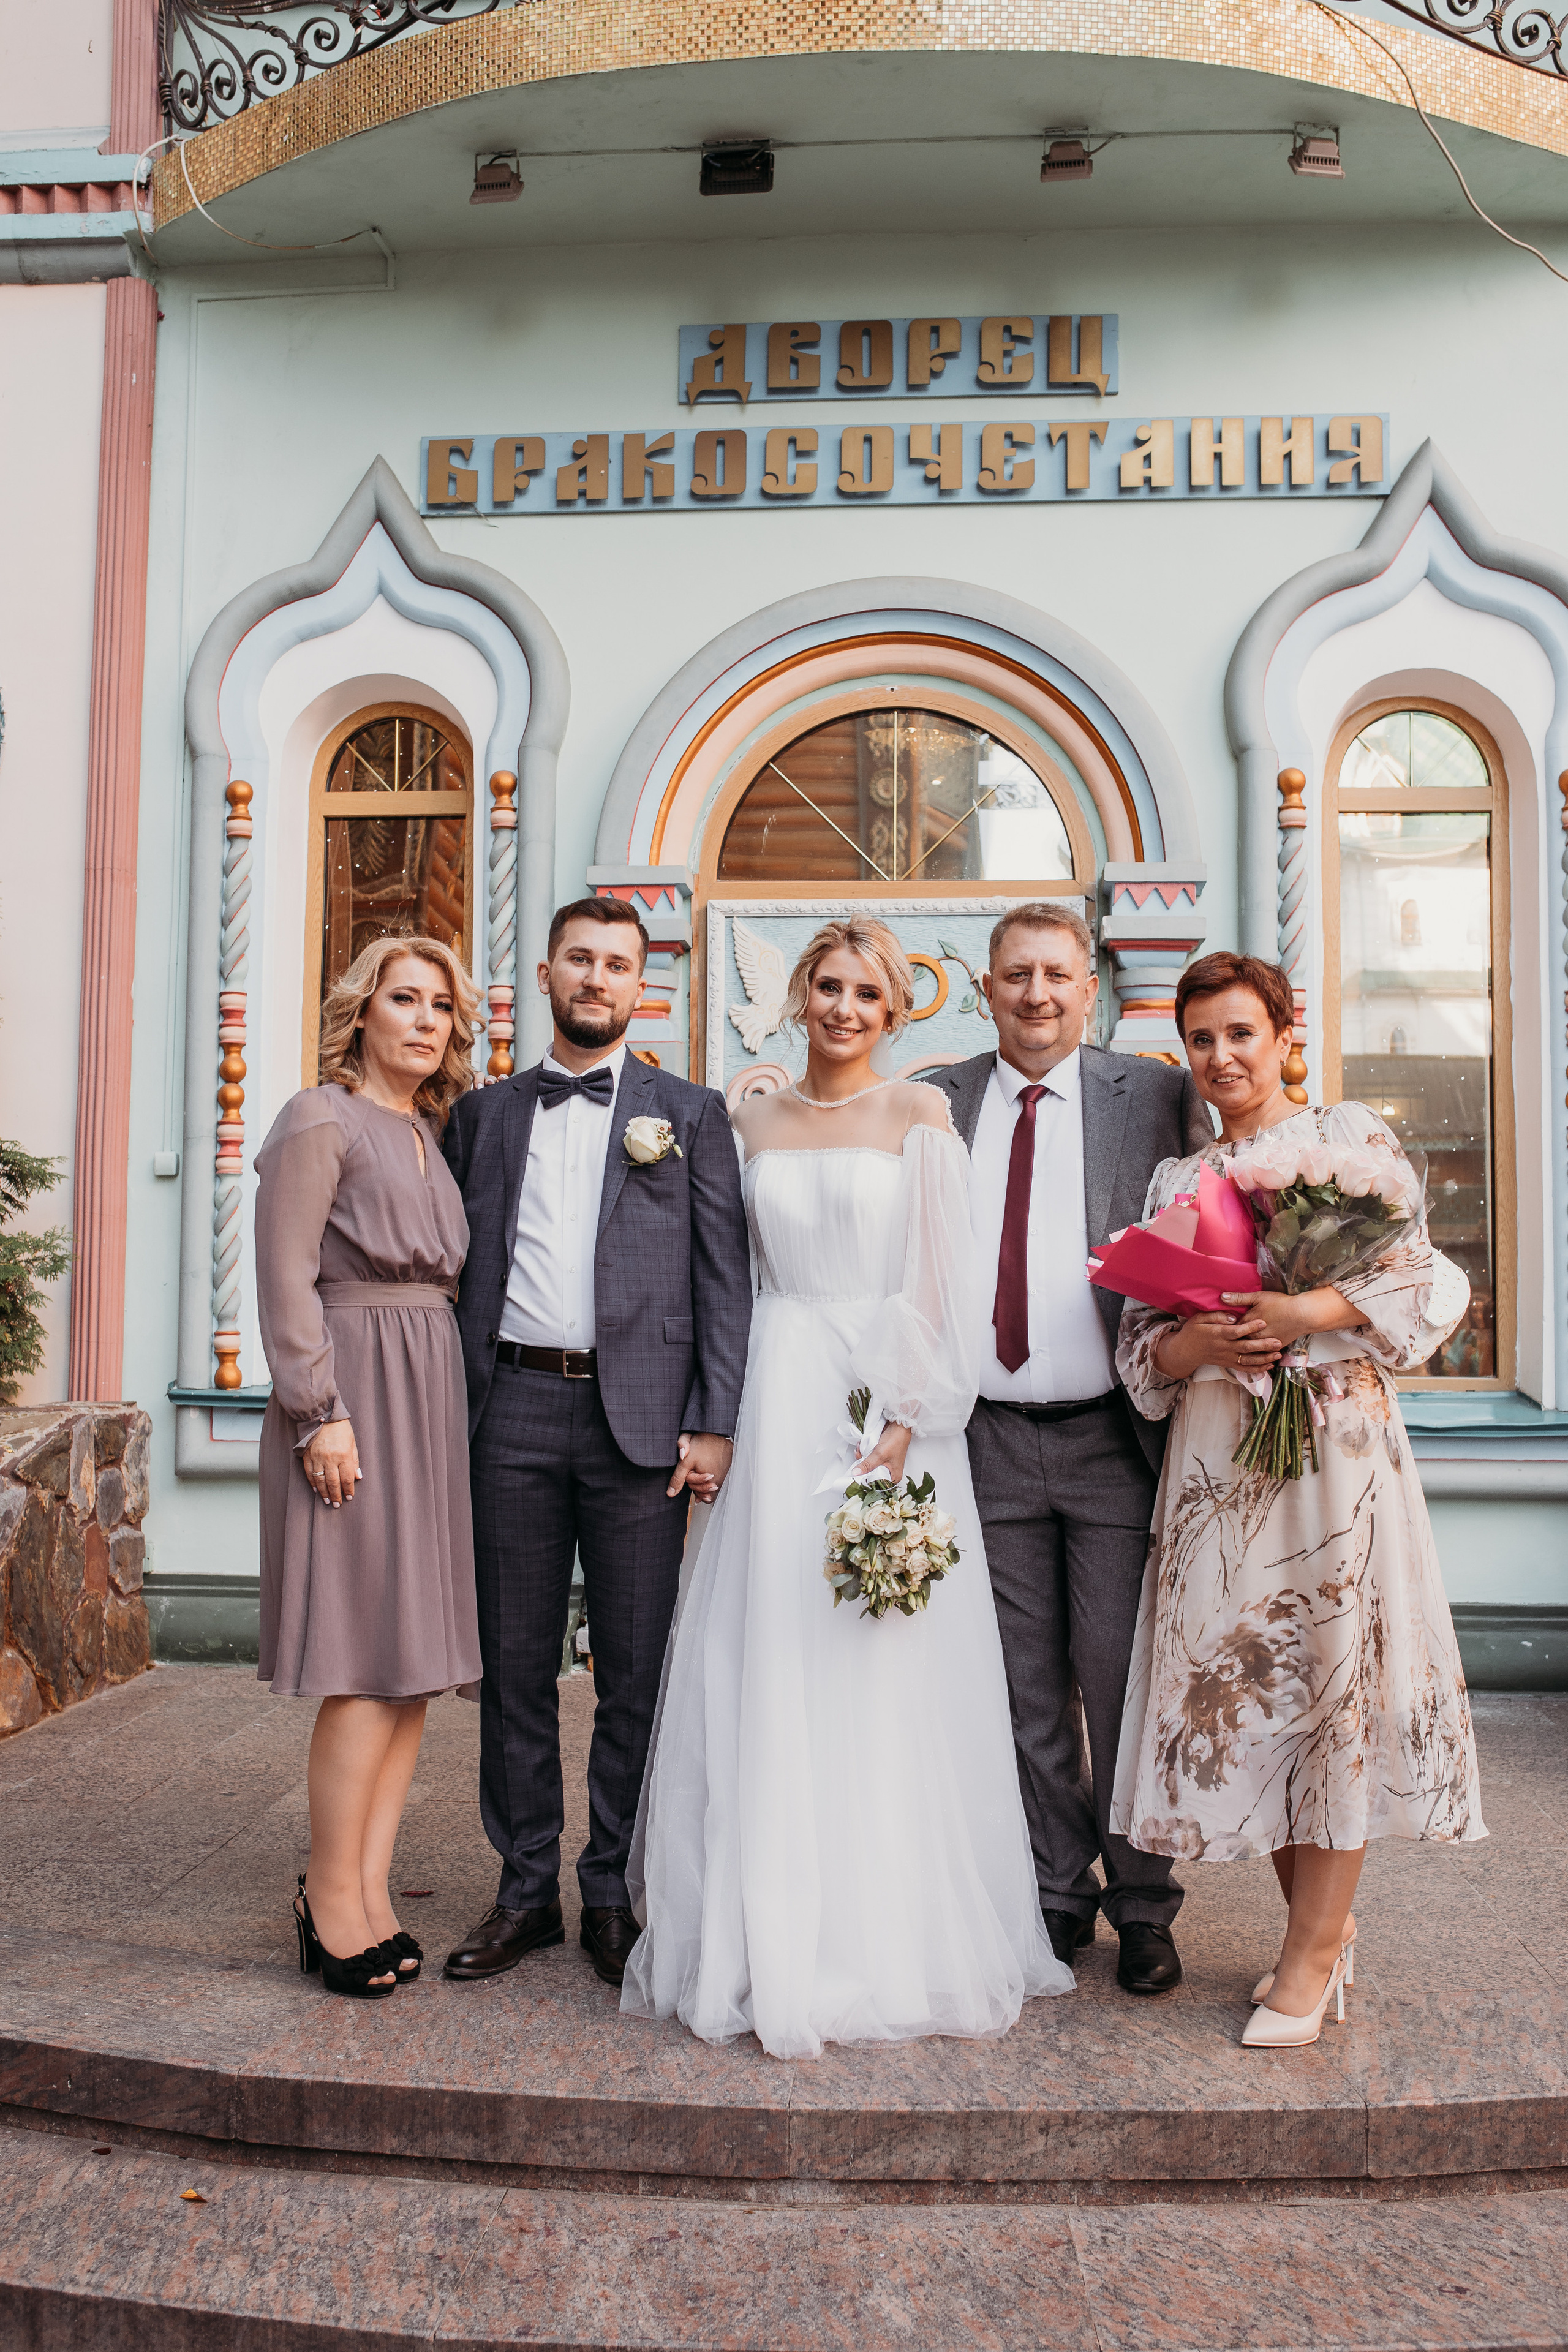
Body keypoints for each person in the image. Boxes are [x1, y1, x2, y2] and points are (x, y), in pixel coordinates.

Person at [622, 918, 1074, 2060]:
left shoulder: (922, 1115)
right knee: (769, 1648)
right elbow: (721, 1272)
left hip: (883, 1405)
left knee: (881, 1661)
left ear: (898, 1008)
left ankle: (887, 1937)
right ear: (799, 996)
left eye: (868, 991)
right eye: (827, 986)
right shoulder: (744, 1117)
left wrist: (902, 1418)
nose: (845, 1007)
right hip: (772, 1399)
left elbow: (942, 1282)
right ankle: (761, 1929)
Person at [1109, 951, 1486, 2050]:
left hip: (1333, 1449)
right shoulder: (1175, 1186)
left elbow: (1417, 1282)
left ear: (1284, 1035)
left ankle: (1313, 1954)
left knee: (1333, 1684)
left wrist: (1292, 1305)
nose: (1222, 1058)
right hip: (1221, 1464)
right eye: (1201, 1042)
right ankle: (1322, 1928)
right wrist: (1203, 1339)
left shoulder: (1351, 1139)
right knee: (1257, 1692)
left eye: (1240, 1034)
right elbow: (1144, 1358)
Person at [440, 897, 753, 1988]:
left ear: (642, 987)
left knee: (635, 1674)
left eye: (618, 964)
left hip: (644, 1426)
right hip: (512, 1412)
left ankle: (611, 1885)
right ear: (545, 974)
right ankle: (523, 1888)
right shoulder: (482, 1116)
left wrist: (715, 1421)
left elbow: (725, 1278)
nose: (598, 978)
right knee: (516, 1670)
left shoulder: (692, 1114)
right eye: (581, 958)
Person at [919, 902, 1213, 1996]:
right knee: (1022, 1686)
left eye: (1056, 974)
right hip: (983, 1439)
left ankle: (1145, 1901)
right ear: (982, 987)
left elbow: (1242, 1196)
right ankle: (1057, 1887)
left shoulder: (1154, 1094)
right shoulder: (934, 1102)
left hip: (1110, 1439)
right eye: (1015, 975)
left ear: (1091, 987)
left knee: (1120, 1676)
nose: (1036, 994)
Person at [254, 936, 483, 1999]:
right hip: (351, 1393)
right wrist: (318, 1414)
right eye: (406, 998)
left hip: (427, 1394)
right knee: (358, 1661)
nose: (427, 1019)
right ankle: (327, 1895)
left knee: (411, 1664)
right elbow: (287, 1279)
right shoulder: (320, 1117)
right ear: (362, 1013)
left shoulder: (431, 1131)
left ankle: (372, 1886)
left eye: (442, 1004)